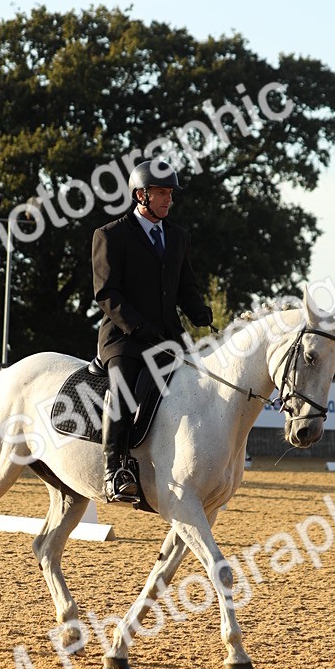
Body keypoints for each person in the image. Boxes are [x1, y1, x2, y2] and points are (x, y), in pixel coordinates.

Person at [92, 159, 212, 503]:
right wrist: (140, 327)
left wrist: (199, 311)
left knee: (200, 384)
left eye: (170, 193)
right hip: (124, 338)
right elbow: (106, 293)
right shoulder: (110, 235)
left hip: (168, 338)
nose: (168, 199)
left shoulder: (177, 236)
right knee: (124, 387)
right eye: (161, 192)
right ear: (140, 194)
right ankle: (115, 469)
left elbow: (185, 285)